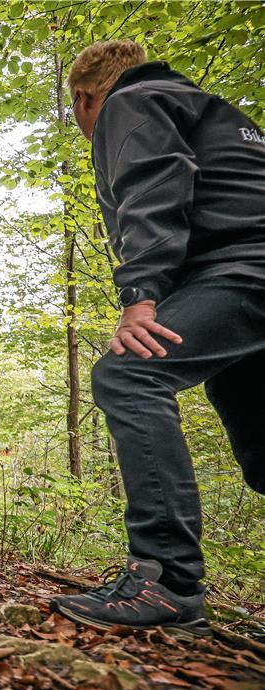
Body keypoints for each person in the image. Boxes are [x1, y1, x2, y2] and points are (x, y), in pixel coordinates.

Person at [51, 41, 265, 638]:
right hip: (241, 281)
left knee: (129, 372)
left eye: (78, 113)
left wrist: (140, 295)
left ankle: (166, 581)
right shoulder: (210, 108)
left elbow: (153, 184)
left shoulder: (132, 102)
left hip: (243, 273)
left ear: (85, 98)